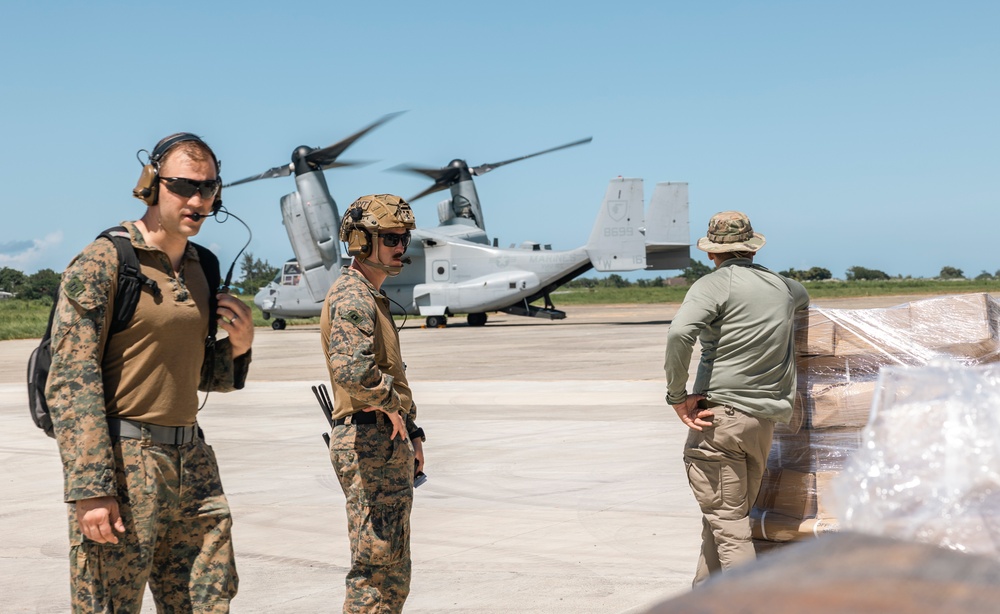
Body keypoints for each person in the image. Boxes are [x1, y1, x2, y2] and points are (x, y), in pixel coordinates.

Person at [46, 133, 254, 612]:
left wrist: (238, 349)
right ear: (151, 185)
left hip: (192, 459)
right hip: (126, 462)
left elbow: (200, 375)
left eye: (209, 188)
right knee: (109, 605)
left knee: (208, 601)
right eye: (183, 186)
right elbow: (71, 381)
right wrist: (92, 490)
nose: (198, 200)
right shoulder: (105, 262)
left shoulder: (204, 266)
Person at [664, 210, 809, 587]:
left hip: (721, 421)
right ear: (752, 249)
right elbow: (804, 300)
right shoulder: (784, 287)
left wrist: (677, 396)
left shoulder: (713, 284)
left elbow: (680, 334)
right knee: (722, 521)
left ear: (712, 253)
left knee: (730, 527)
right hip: (762, 424)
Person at [321, 194, 426, 614]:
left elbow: (382, 372)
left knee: (393, 568)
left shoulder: (372, 296)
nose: (402, 247)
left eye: (405, 238)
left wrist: (412, 431)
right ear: (362, 242)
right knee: (374, 569)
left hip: (385, 441)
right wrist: (391, 405)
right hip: (367, 442)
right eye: (391, 238)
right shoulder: (352, 297)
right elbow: (353, 372)